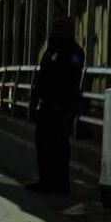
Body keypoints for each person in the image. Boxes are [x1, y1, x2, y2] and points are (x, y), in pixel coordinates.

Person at [27, 17, 85, 194]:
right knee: (43, 143)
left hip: (62, 106)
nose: (55, 30)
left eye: (59, 27)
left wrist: (64, 105)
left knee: (59, 144)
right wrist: (34, 100)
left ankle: (60, 183)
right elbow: (42, 78)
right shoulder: (51, 49)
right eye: (55, 27)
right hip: (47, 103)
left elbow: (71, 80)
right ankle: (46, 180)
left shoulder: (73, 52)